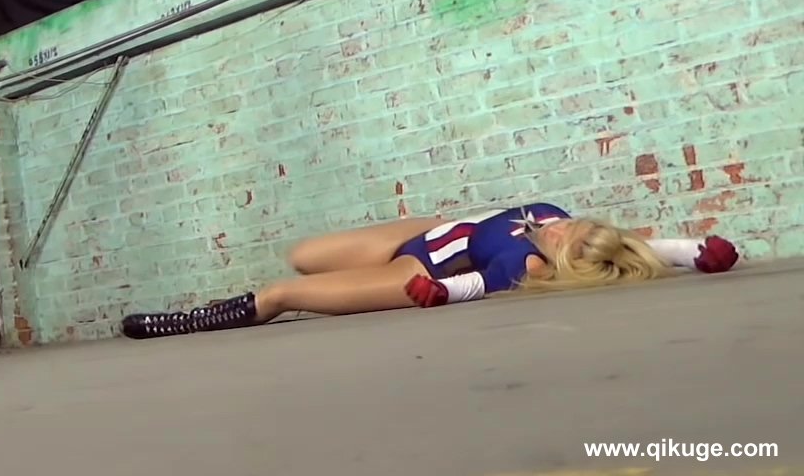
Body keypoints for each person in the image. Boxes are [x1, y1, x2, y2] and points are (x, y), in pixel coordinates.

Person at [120, 202, 740, 339]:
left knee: (285, 291)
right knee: (303, 253)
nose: (557, 227)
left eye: (564, 239)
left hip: (418, 266)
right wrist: (697, 252)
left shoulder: (526, 264)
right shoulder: (571, 225)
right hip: (430, 230)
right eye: (566, 224)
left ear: (564, 262)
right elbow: (639, 246)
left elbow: (475, 285)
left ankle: (183, 322)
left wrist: (435, 291)